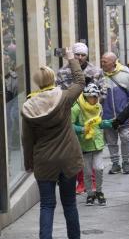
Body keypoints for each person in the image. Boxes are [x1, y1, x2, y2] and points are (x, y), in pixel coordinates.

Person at [22, 48, 84, 239]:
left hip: (44, 159)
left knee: (47, 205)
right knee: (70, 204)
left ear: (37, 83)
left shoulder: (28, 106)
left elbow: (27, 139)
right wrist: (71, 58)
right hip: (68, 158)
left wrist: (28, 163)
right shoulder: (64, 98)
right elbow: (80, 81)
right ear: (53, 79)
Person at [56, 42, 104, 194]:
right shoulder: (62, 72)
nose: (80, 57)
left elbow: (103, 92)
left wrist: (92, 105)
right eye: (77, 54)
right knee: (77, 150)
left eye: (83, 55)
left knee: (91, 147)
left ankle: (94, 182)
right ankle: (81, 181)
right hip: (71, 113)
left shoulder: (96, 71)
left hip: (91, 114)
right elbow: (60, 94)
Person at [71, 83, 112, 206]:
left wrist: (110, 123)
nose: (95, 99)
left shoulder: (98, 107)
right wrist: (82, 129)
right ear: (86, 96)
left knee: (99, 168)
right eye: (92, 97)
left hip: (98, 143)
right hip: (84, 144)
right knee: (87, 172)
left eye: (96, 96)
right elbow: (69, 125)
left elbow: (99, 123)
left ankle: (99, 191)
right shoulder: (76, 108)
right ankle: (90, 194)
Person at [100, 52, 129, 175]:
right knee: (111, 142)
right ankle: (115, 164)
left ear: (113, 62)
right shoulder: (99, 76)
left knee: (126, 139)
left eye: (105, 61)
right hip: (107, 117)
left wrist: (128, 110)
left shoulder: (126, 74)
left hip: (124, 116)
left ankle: (126, 162)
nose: (102, 63)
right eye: (102, 60)